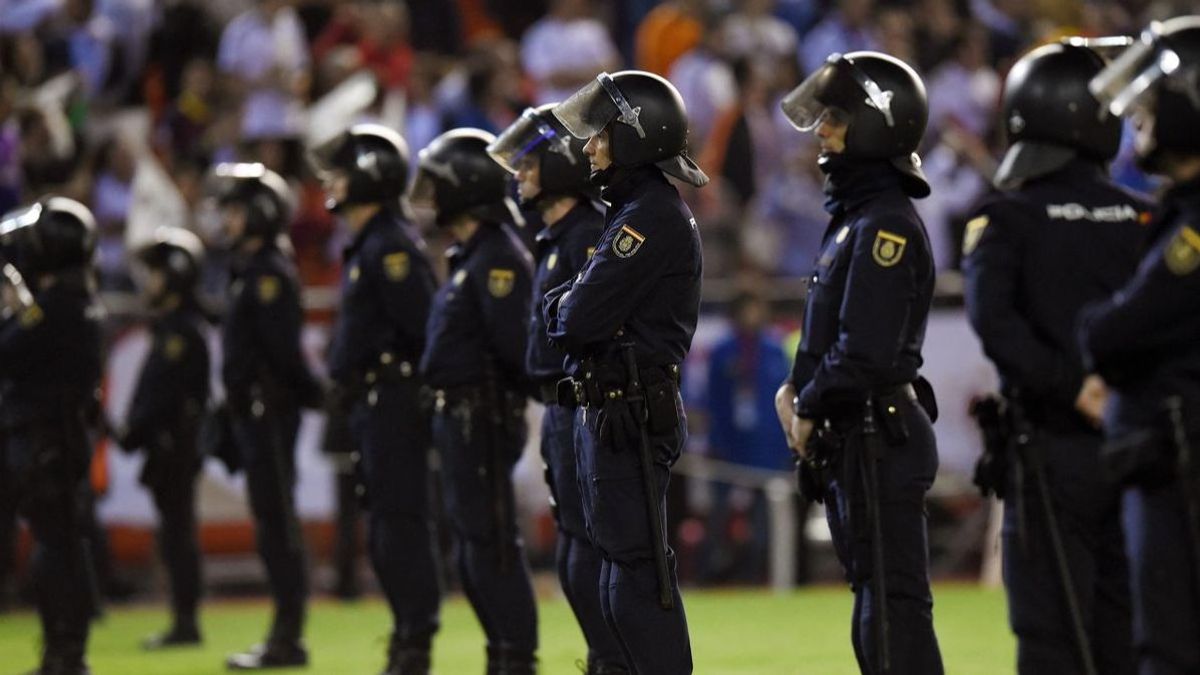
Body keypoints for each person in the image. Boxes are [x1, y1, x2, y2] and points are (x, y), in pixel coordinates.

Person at [962, 41, 1150, 675]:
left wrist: (1071, 386)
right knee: (1131, 625)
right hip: (1142, 449)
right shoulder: (1150, 218)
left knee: (1050, 633)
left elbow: (995, 323)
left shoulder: (1006, 217)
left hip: (1049, 451)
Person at [772, 51, 944, 674]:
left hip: (881, 434)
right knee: (878, 606)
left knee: (893, 610)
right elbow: (830, 339)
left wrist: (809, 404)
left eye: (837, 118)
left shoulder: (884, 225)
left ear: (878, 124)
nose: (821, 130)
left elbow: (864, 350)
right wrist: (797, 393)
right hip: (862, 434)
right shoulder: (858, 219)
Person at [546, 69, 709, 674]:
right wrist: (569, 307)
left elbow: (574, 319)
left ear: (636, 137)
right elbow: (574, 312)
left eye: (601, 134)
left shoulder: (650, 217)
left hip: (631, 413)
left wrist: (567, 307)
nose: (589, 146)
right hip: (616, 408)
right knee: (620, 567)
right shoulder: (638, 211)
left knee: (636, 573)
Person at [1080, 16, 1200, 674]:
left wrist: (1103, 335)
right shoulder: (1177, 209)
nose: (1141, 118)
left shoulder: (1193, 223)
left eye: (1153, 103)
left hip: (1180, 461)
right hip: (1168, 456)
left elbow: (1117, 329)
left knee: (1172, 645)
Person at [487, 104, 620, 672]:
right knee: (572, 548)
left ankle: (611, 659)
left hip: (581, 406)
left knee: (587, 547)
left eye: (530, 164)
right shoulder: (556, 236)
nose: (519, 175)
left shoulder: (587, 235)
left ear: (564, 165)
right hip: (558, 406)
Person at [311, 123, 442, 675]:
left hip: (393, 401)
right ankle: (406, 635)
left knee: (400, 524)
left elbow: (423, 329)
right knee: (386, 526)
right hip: (371, 401)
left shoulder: (389, 246)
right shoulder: (370, 243)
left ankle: (414, 640)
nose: (330, 181)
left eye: (340, 170)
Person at [410, 128, 539, 674]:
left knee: (492, 544)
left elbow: (516, 348)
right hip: (460, 416)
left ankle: (515, 658)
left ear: (466, 186)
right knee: (471, 544)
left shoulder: (497, 259)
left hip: (482, 416)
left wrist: (496, 404)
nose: (431, 195)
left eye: (440, 184)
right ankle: (500, 654)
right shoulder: (470, 255)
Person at [210, 162, 324, 670]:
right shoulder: (249, 271)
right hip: (254, 411)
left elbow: (283, 355)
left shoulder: (269, 275)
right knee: (270, 521)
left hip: (269, 411)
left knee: (278, 522)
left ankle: (289, 637)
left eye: (234, 209)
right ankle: (282, 633)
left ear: (258, 213)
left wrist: (311, 396)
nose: (226, 219)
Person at [0, 196, 103, 675]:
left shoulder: (57, 307)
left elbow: (10, 352)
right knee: (61, 544)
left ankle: (65, 651)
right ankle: (66, 648)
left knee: (54, 550)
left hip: (47, 439)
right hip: (58, 437)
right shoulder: (77, 301)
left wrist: (14, 311)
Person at [114, 227, 212, 650]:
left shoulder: (180, 332)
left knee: (178, 533)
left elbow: (161, 393)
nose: (149, 282)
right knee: (174, 531)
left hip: (175, 442)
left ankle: (186, 621)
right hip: (170, 442)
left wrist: (134, 431)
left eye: (156, 273)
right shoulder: (175, 327)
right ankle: (182, 619)